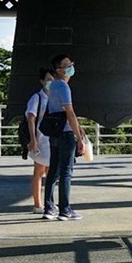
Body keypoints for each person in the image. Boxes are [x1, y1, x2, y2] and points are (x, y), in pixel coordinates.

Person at [42, 54, 86, 220]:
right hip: (66, 133)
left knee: (53, 171)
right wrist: (79, 138)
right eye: (68, 65)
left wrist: (79, 130)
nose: (71, 67)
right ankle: (65, 209)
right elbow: (70, 113)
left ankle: (49, 207)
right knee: (66, 172)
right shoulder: (63, 87)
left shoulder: (53, 86)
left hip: (55, 132)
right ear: (59, 70)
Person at [24, 68, 53, 214]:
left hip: (53, 139)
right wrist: (33, 139)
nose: (51, 82)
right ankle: (38, 204)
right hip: (41, 139)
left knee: (51, 172)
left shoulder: (56, 97)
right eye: (48, 80)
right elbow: (31, 118)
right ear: (42, 81)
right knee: (39, 171)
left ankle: (49, 202)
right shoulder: (37, 97)